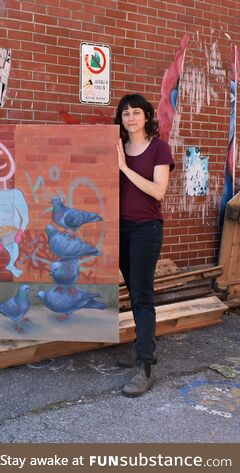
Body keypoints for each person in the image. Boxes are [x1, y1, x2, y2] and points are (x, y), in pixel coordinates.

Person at [114, 93, 175, 397]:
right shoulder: (117, 147)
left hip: (145, 230)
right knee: (133, 291)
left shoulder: (158, 148)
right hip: (119, 228)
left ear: (148, 116)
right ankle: (144, 348)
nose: (131, 118)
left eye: (136, 112)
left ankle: (145, 366)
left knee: (142, 295)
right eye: (125, 114)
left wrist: (124, 168)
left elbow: (158, 191)